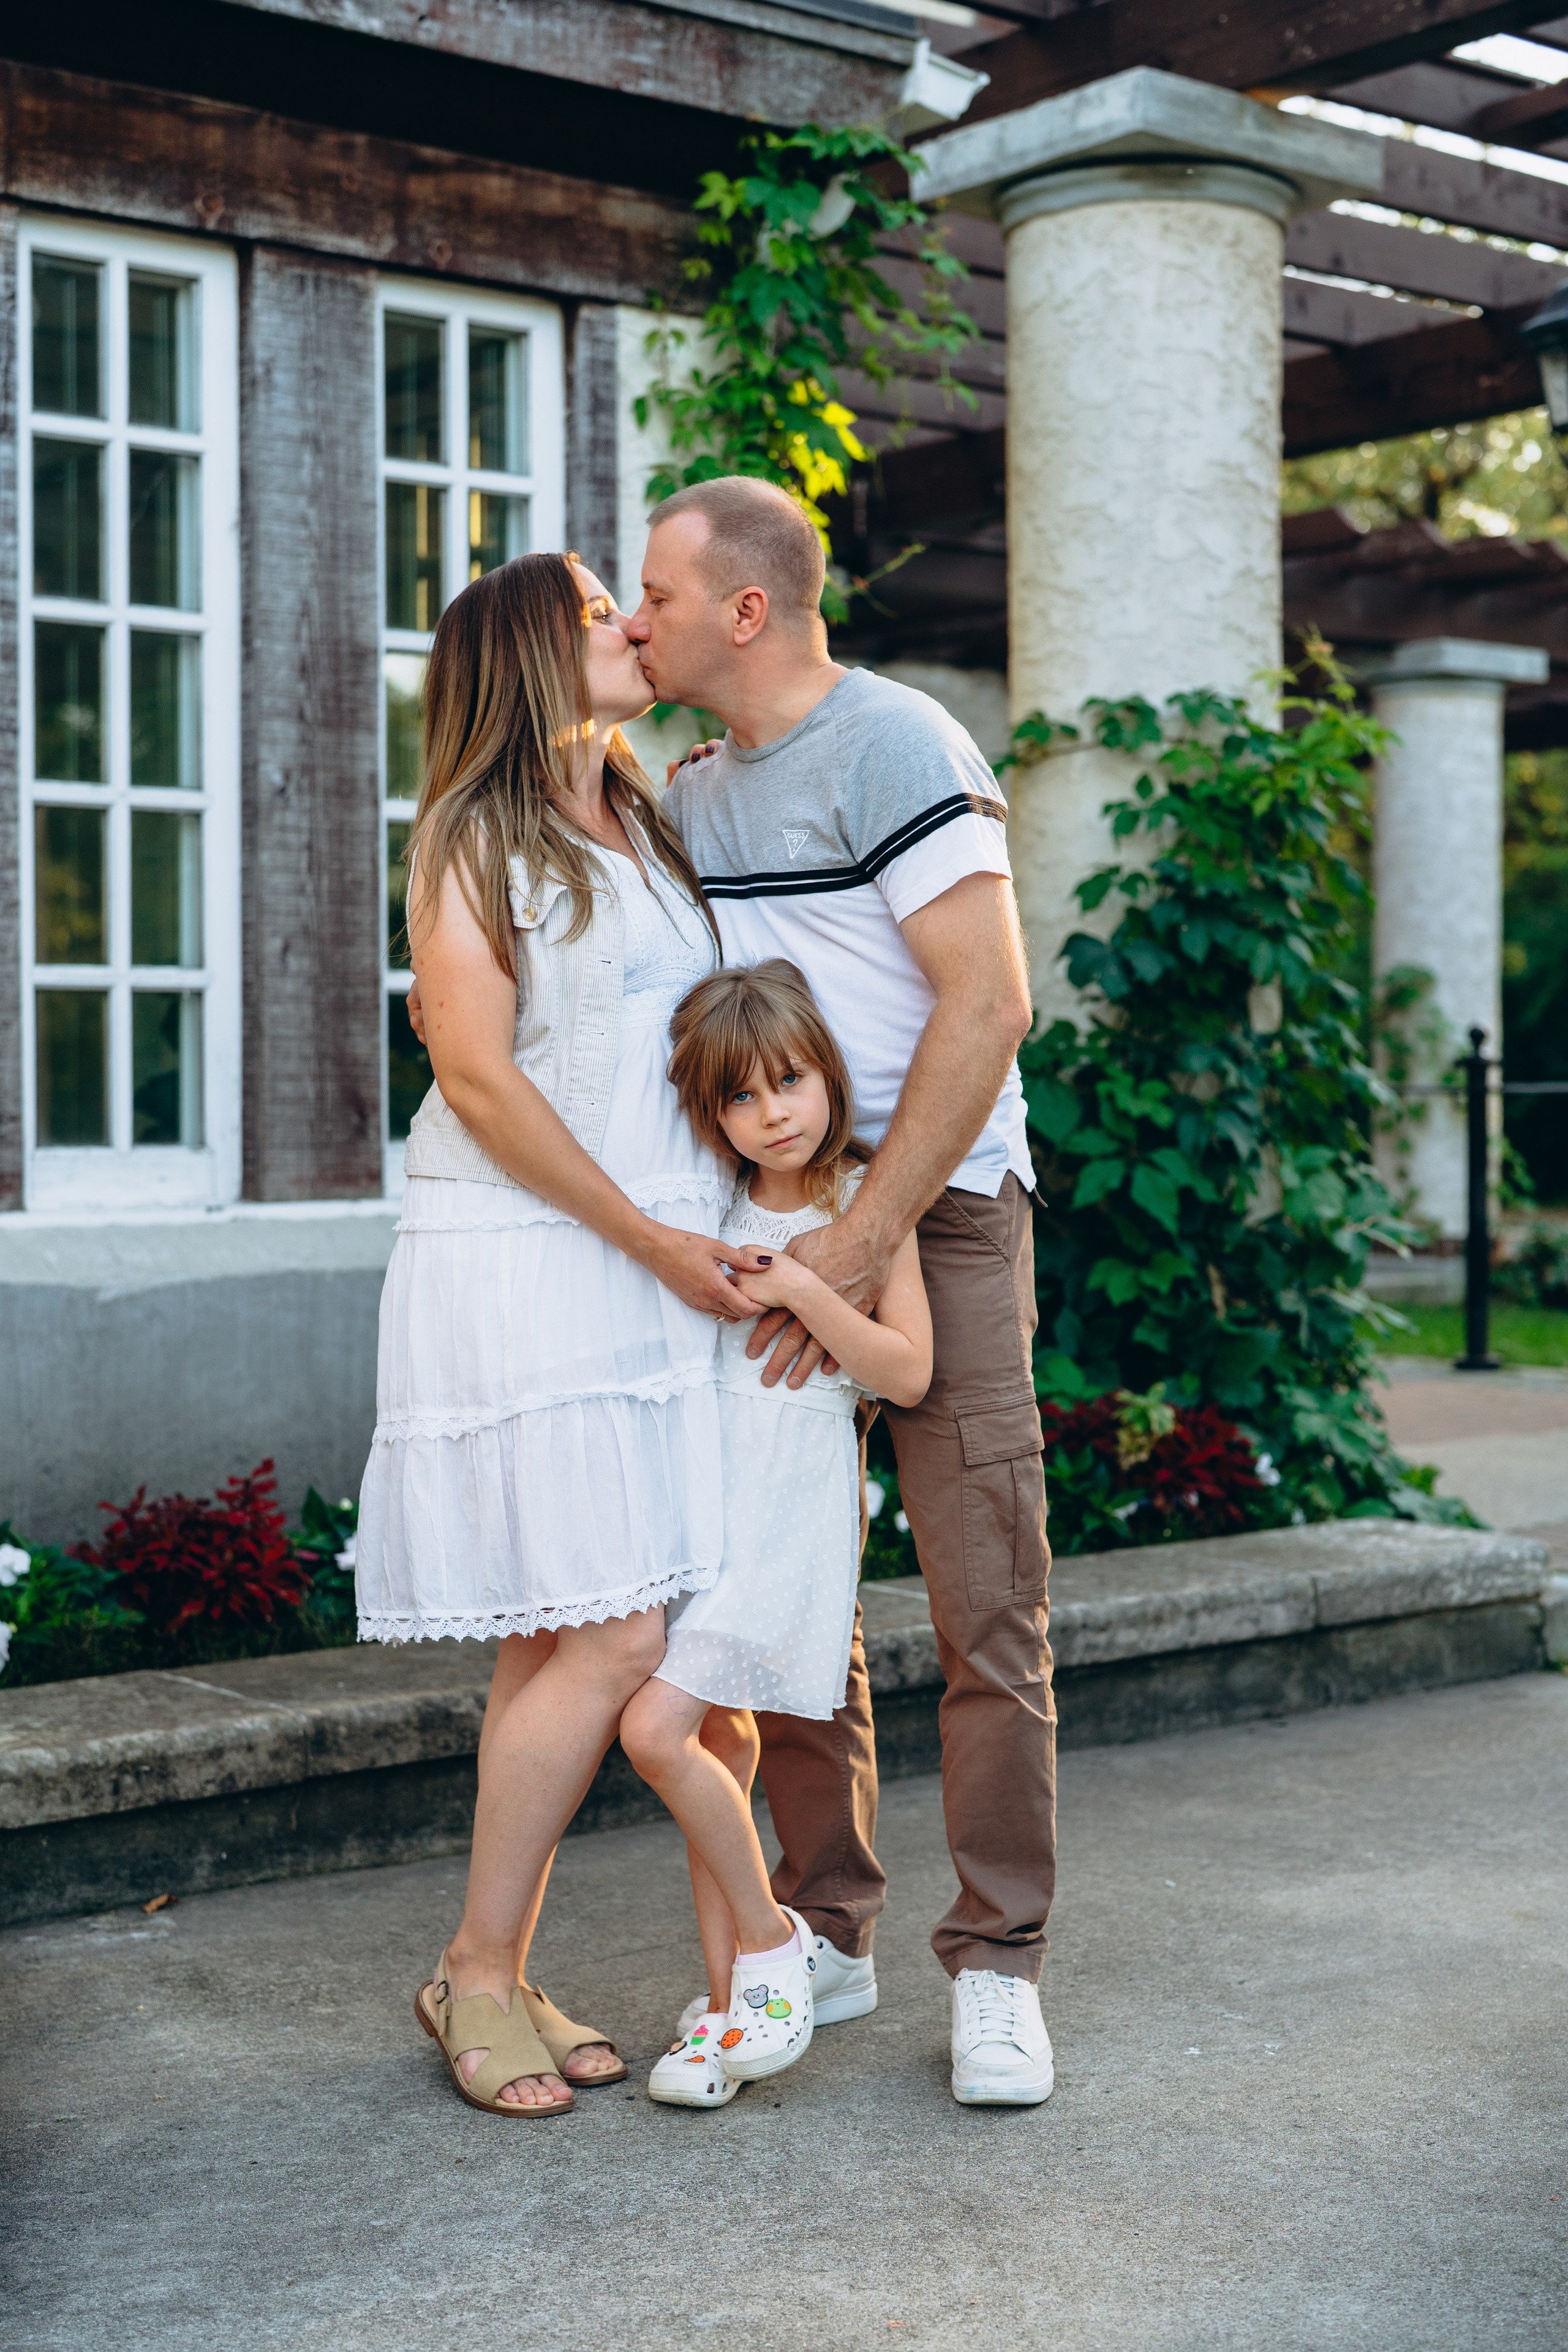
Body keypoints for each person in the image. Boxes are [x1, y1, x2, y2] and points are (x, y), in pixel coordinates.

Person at [635, 476, 1056, 2108]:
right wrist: (779, 1239)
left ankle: (1002, 1963)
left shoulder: (901, 744)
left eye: (657, 595)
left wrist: (860, 1243)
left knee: (984, 1604)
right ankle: (830, 1928)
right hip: (784, 1229)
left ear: (746, 610)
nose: (635, 622)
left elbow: (987, 1007)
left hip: (930, 1220)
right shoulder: (697, 794)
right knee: (792, 1586)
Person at [356, 550, 760, 2117]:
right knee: (618, 1636)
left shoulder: (649, 811)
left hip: (659, 1258)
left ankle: (501, 1968)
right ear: (532, 650)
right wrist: (656, 1238)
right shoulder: (470, 834)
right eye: (600, 608)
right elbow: (477, 1079)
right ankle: (471, 1965)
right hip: (529, 1254)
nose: (631, 622)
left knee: (556, 1628)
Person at [624, 960, 932, 2108]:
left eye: (790, 1081)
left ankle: (770, 1947)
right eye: (743, 1100)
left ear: (826, 1073)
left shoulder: (866, 1201)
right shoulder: (706, 1202)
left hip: (789, 1517)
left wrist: (807, 1289)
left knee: (657, 1731)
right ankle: (725, 2017)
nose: (775, 1114)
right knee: (728, 1749)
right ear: (714, 1117)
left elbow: (906, 1371)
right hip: (704, 1509)